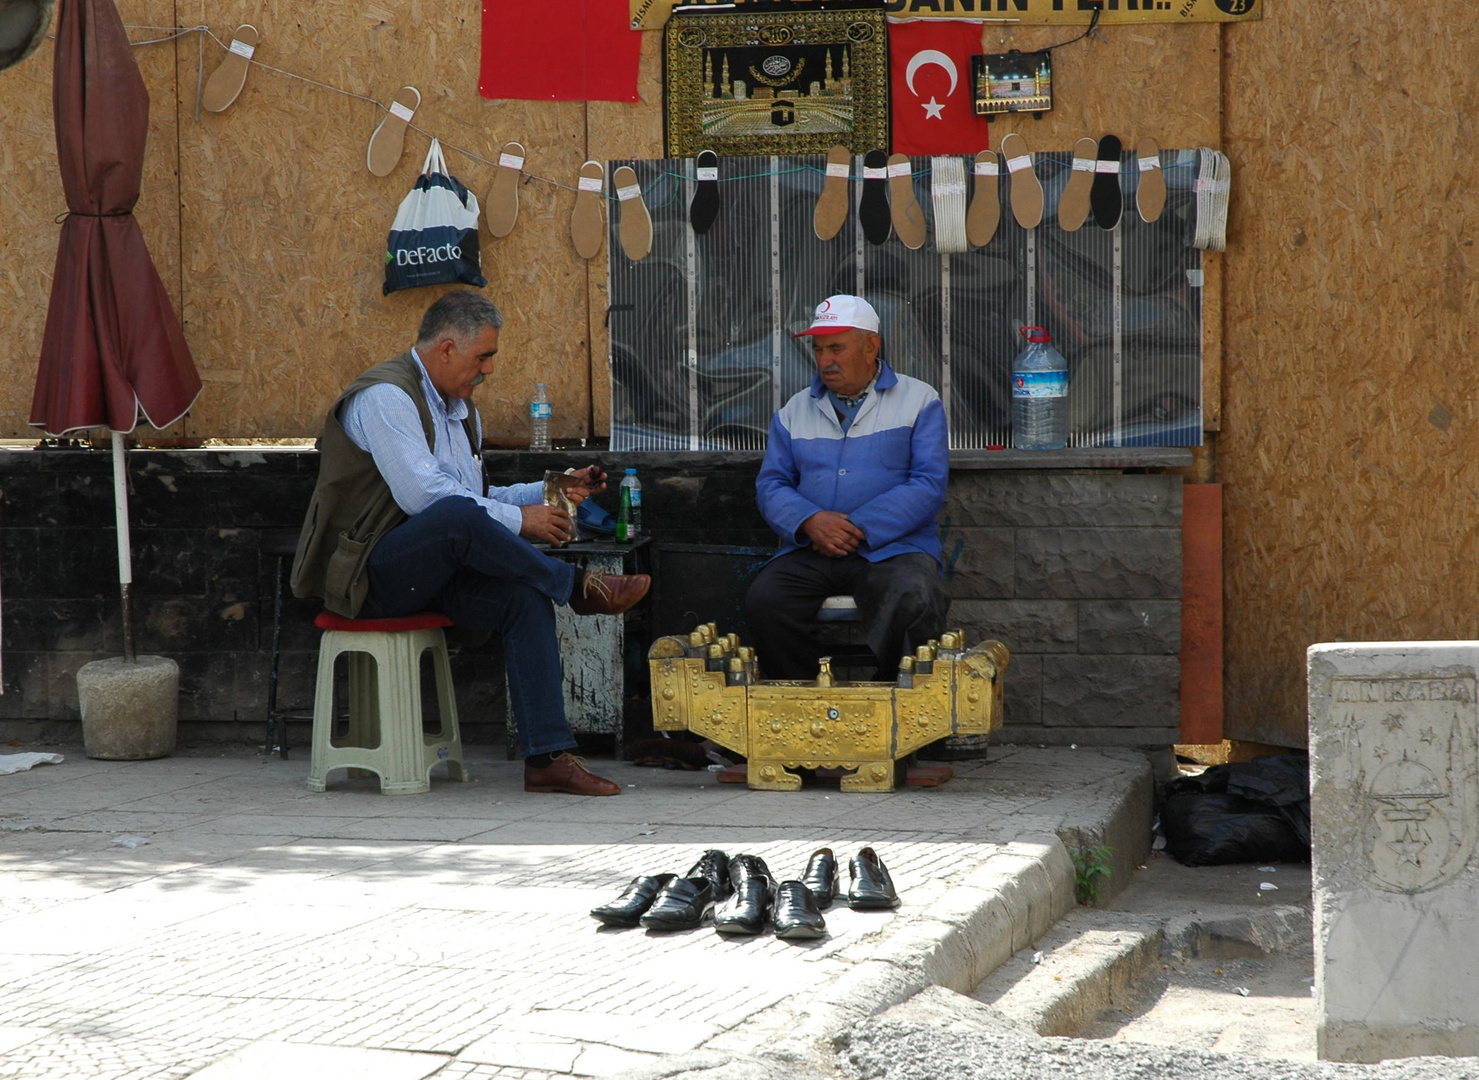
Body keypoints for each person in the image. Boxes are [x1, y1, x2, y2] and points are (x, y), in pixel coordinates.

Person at [291, 290, 648, 796]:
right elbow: (428, 499)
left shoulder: (460, 411)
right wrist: (521, 522)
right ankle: (577, 586)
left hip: (430, 570)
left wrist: (551, 489)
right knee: (455, 516)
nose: (489, 370)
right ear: (446, 349)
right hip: (366, 576)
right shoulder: (387, 398)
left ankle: (546, 758)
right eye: (483, 356)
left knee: (523, 599)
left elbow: (475, 496)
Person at [744, 294, 950, 681]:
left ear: (871, 346)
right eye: (819, 349)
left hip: (894, 549)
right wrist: (810, 521)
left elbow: (928, 483)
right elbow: (772, 484)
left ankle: (895, 706)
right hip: (812, 548)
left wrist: (857, 527)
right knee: (766, 600)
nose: (824, 360)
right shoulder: (794, 410)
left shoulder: (919, 400)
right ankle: (804, 702)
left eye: (836, 348)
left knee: (912, 597)